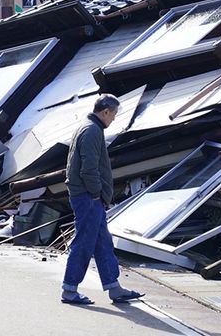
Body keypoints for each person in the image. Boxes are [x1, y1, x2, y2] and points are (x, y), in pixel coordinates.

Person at [61, 94, 143, 305]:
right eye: (114, 114)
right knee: (84, 242)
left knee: (102, 242)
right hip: (87, 196)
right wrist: (97, 192)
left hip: (88, 196)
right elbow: (89, 168)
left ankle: (114, 288)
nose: (114, 119)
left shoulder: (88, 127)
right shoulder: (91, 131)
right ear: (105, 111)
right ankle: (69, 290)